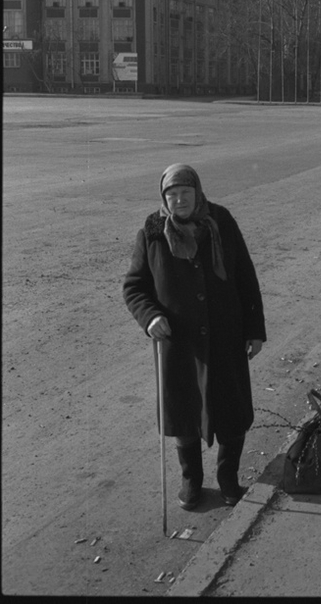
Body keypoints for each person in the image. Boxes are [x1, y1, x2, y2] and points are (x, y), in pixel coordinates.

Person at [123, 163, 266, 510]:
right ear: (163, 198)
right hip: (179, 342)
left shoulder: (221, 222)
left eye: (185, 192)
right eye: (171, 194)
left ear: (197, 192)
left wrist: (254, 330)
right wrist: (150, 316)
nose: (179, 199)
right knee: (184, 412)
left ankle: (229, 478)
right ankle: (192, 481)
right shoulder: (153, 231)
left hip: (225, 336)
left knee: (231, 411)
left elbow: (245, 277)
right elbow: (135, 287)